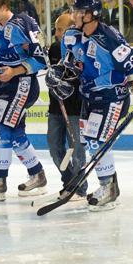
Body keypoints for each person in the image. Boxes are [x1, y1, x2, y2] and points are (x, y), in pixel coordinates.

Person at [50, 0, 133, 211]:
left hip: (112, 96)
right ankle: (109, 186)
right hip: (89, 96)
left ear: (92, 15)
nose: (74, 15)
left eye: (79, 12)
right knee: (91, 141)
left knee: (97, 141)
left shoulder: (109, 38)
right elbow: (71, 65)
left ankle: (108, 188)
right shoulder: (71, 36)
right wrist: (58, 75)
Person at [0, 0, 47, 201]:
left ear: (5, 6)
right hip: (3, 87)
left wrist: (14, 71)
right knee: (15, 134)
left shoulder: (24, 23)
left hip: (22, 84)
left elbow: (41, 58)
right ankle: (37, 175)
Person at [47, 13, 86, 201]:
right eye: (56, 29)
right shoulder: (54, 48)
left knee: (77, 149)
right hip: (56, 106)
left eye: (60, 29)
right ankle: (69, 181)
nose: (56, 33)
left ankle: (79, 187)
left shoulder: (82, 48)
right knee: (54, 147)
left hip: (76, 108)